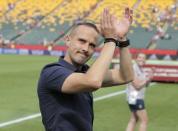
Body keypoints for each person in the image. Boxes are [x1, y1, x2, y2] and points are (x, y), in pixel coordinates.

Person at [37, 8, 134, 131]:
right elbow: (93, 81)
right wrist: (111, 39)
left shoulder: (85, 72)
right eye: (82, 41)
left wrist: (122, 39)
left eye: (92, 45)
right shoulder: (52, 72)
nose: (86, 48)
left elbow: (126, 76)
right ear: (67, 40)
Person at [126, 53, 153, 131]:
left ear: (145, 60)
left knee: (134, 119)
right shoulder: (133, 68)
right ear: (136, 58)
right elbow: (137, 85)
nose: (141, 59)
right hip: (135, 96)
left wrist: (149, 77)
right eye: (139, 57)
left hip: (135, 97)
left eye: (143, 58)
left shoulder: (141, 70)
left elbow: (146, 85)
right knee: (144, 120)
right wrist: (147, 79)